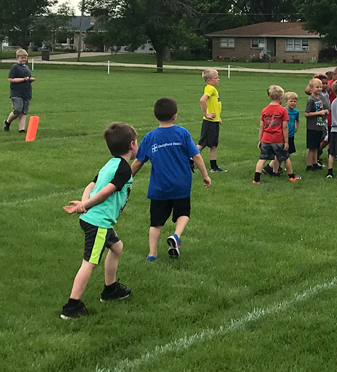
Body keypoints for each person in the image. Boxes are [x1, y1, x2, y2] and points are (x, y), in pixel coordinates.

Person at [60, 122, 138, 319]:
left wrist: (84, 203)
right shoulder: (123, 169)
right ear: (131, 145)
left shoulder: (111, 164)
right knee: (89, 262)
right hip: (98, 222)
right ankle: (72, 306)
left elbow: (91, 184)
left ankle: (110, 290)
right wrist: (85, 205)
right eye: (137, 142)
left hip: (95, 218)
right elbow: (104, 192)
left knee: (117, 247)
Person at [131, 97, 211, 261]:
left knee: (155, 222)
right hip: (181, 185)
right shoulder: (182, 133)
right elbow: (196, 155)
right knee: (183, 213)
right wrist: (205, 176)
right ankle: (176, 235)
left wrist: (126, 178)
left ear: (156, 115)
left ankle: (152, 254)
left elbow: (139, 161)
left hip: (159, 188)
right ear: (175, 115)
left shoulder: (150, 137)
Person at [253, 85, 301, 185]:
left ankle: (256, 179)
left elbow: (261, 126)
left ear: (270, 97)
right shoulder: (282, 110)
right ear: (281, 98)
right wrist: (286, 141)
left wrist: (260, 140)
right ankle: (291, 176)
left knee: (262, 158)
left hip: (266, 138)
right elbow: (284, 127)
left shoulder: (265, 110)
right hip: (278, 139)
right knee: (285, 157)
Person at [197, 68, 227, 172]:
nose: (218, 79)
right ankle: (190, 160)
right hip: (209, 122)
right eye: (216, 78)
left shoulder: (212, 88)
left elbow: (214, 105)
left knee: (213, 145)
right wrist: (206, 114)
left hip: (214, 121)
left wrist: (218, 117)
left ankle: (214, 167)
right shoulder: (210, 88)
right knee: (202, 143)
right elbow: (202, 100)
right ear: (208, 80)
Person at [263, 91, 299, 177]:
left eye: (295, 101)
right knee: (281, 154)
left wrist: (296, 127)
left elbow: (297, 120)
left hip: (290, 134)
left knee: (285, 153)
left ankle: (275, 168)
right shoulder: (283, 110)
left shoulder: (296, 112)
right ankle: (271, 168)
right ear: (285, 101)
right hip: (282, 135)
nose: (293, 103)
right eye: (291, 101)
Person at [4, 48, 35, 133]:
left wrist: (30, 80)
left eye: (25, 58)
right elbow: (11, 79)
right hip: (16, 93)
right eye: (22, 58)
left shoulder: (27, 68)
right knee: (17, 110)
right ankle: (7, 122)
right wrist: (22, 79)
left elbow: (27, 79)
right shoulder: (15, 67)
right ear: (17, 57)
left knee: (24, 112)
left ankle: (21, 129)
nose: (24, 59)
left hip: (27, 92)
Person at [305, 78, 328, 171]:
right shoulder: (311, 100)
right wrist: (319, 113)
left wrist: (324, 112)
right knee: (312, 147)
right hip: (312, 127)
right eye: (317, 87)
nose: (319, 89)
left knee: (316, 147)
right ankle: (309, 165)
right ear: (311, 88)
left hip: (319, 125)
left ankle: (315, 163)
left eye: (320, 87)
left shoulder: (319, 98)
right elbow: (307, 113)